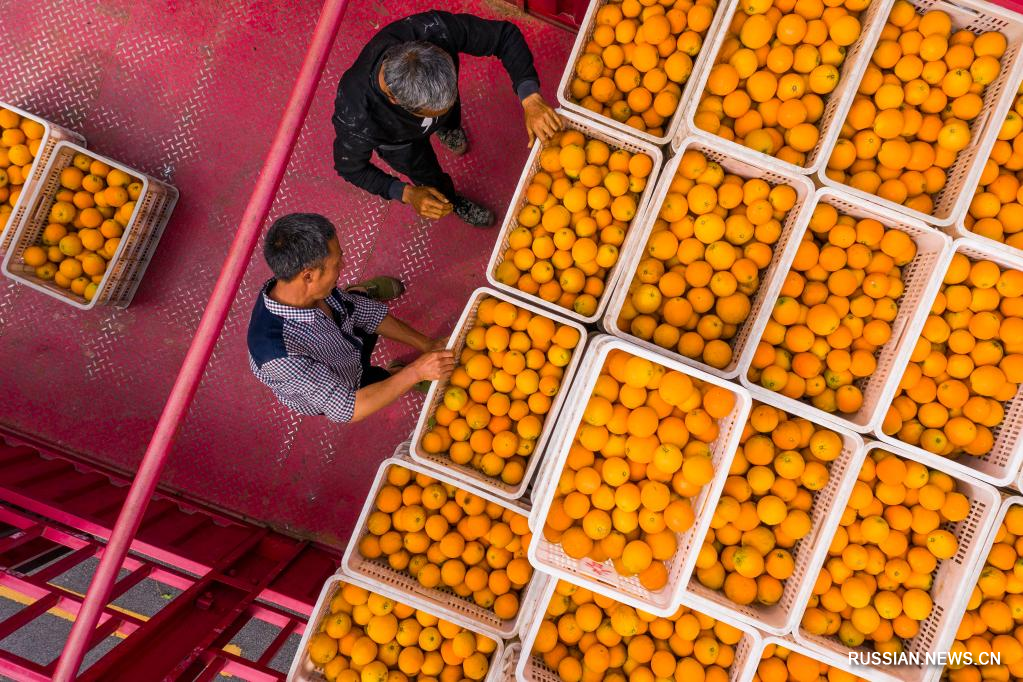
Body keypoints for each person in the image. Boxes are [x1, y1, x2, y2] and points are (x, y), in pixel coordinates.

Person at [332, 10, 563, 227]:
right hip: (401, 143)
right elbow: (351, 168)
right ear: (395, 99)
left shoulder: (434, 30)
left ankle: (449, 128)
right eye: (433, 112)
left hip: (435, 109)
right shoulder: (356, 118)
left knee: (450, 114)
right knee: (429, 180)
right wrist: (406, 193)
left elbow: (504, 36)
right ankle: (452, 201)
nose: (445, 107)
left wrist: (530, 98)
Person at [248, 213, 454, 423]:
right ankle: (397, 373)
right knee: (379, 382)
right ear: (308, 276)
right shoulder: (279, 356)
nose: (344, 265)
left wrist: (427, 344)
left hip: (346, 338)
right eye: (337, 263)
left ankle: (360, 291)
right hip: (344, 379)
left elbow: (368, 314)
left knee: (355, 303)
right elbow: (349, 408)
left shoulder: (301, 285)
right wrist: (415, 372)